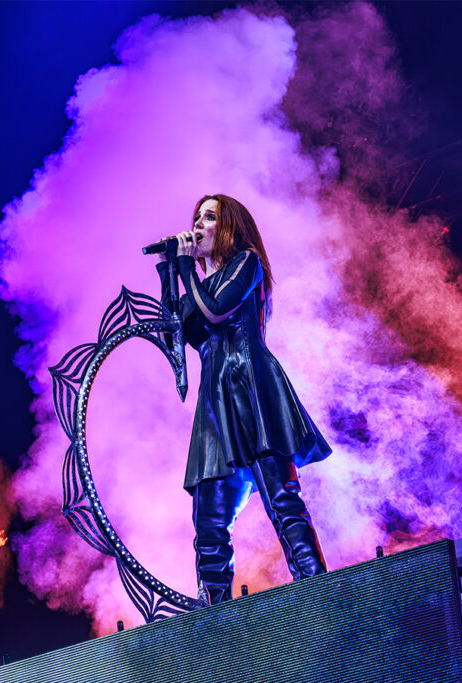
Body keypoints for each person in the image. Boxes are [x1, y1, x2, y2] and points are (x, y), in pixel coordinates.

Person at [155, 194, 332, 606]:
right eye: (196, 217)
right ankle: (214, 621)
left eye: (209, 217)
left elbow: (216, 312)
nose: (198, 225)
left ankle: (320, 596)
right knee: (209, 522)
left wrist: (186, 267)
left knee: (282, 501)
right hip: (214, 405)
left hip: (250, 389)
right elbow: (172, 337)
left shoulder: (247, 263)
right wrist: (169, 271)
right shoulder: (198, 287)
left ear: (230, 226)